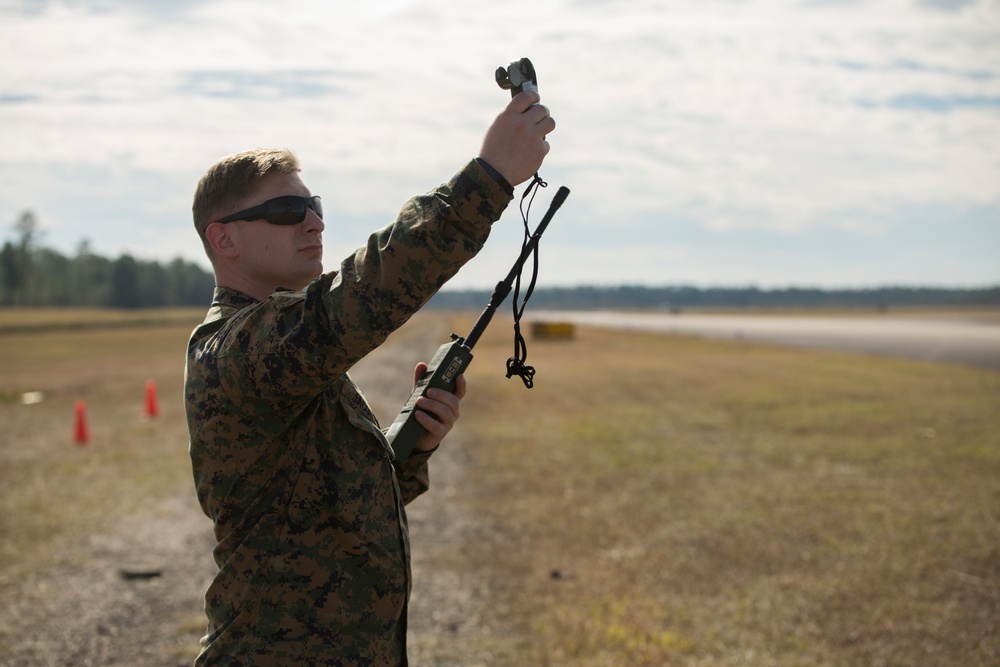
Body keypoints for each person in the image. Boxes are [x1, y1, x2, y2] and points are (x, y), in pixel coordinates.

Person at [184, 89, 555, 666]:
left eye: (315, 208)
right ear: (223, 238)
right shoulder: (237, 349)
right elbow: (368, 290)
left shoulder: (287, 351)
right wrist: (489, 177)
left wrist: (411, 447)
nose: (312, 223)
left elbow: (324, 508)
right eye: (286, 213)